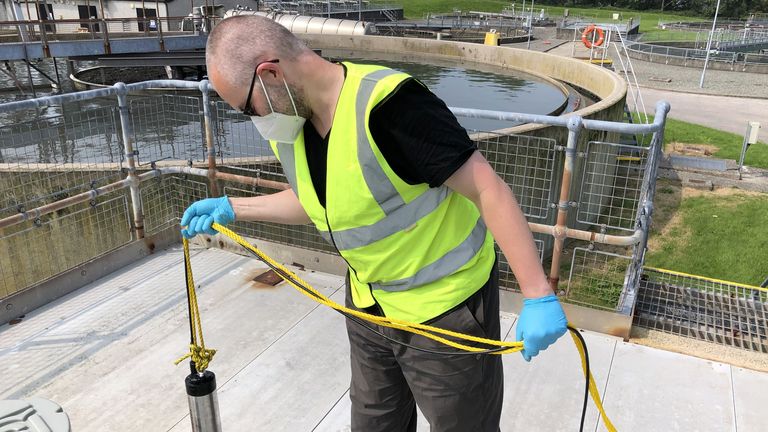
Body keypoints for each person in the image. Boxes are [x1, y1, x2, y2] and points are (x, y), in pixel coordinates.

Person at [181, 15, 568, 432]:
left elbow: (486, 188)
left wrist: (536, 293)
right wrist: (234, 207)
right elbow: (320, 201)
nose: (253, 119)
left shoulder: (389, 106)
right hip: (369, 308)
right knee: (375, 423)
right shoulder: (291, 127)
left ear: (271, 73)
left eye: (246, 107)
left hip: (446, 312)